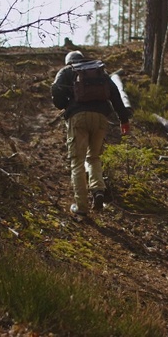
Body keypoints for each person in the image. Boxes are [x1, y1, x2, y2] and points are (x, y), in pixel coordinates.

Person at [51, 50, 131, 219]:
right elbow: (115, 94)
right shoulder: (99, 71)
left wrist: (65, 104)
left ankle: (81, 207)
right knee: (94, 157)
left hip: (78, 118)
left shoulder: (67, 71)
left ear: (69, 61)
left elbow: (56, 90)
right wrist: (124, 119)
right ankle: (98, 190)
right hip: (101, 118)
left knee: (77, 162)